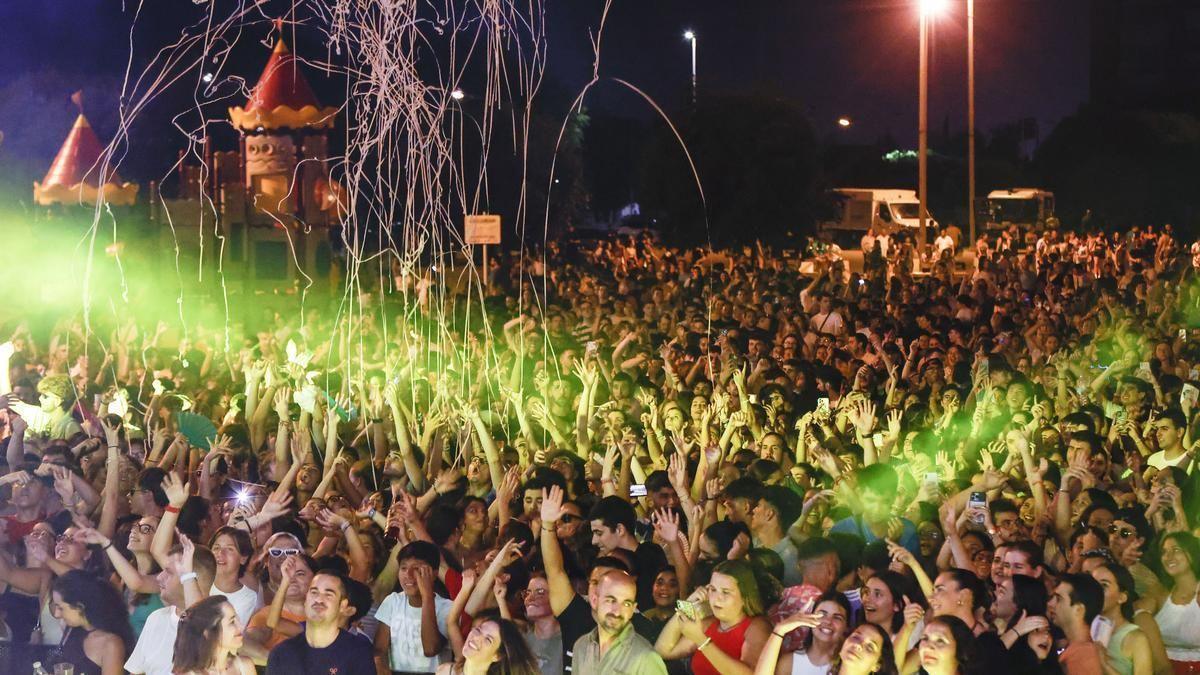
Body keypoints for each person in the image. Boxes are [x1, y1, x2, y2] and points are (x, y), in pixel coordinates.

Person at [654, 559, 771, 675]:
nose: (716, 597)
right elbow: (662, 651)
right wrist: (687, 605)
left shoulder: (757, 626)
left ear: (745, 598)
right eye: (713, 589)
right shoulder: (709, 623)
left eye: (725, 592)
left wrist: (701, 640)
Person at [125, 541, 217, 675]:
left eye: (169, 572)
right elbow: (137, 671)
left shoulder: (218, 624)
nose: (160, 577)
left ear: (192, 578)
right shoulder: (156, 618)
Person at [266, 571, 376, 674]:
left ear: (343, 606)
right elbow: (274, 623)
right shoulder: (281, 653)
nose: (318, 599)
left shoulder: (359, 652)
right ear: (305, 601)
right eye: (314, 592)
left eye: (328, 594)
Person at [373, 541, 453, 674]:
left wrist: (427, 596)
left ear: (434, 574)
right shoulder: (393, 601)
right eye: (403, 568)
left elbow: (430, 649)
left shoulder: (447, 607)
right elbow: (380, 649)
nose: (408, 575)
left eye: (417, 569)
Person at [571, 570, 666, 674]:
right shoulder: (581, 646)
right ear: (594, 601)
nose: (617, 612)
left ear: (632, 609)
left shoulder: (646, 658)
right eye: (611, 600)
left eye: (626, 604)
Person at [47, 570, 134, 675]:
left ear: (80, 607)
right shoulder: (70, 628)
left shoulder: (111, 645)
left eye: (61, 608)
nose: (57, 614)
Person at [1089, 563, 1152, 675]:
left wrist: (1104, 665)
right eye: (1093, 585)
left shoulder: (1136, 638)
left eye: (1104, 585)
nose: (1095, 591)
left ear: (1122, 597)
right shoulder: (1086, 629)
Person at [170, 596, 255, 674]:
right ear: (208, 633)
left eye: (237, 620)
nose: (242, 627)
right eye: (232, 622)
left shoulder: (245, 666)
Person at [436, 616, 541, 675]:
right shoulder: (444, 671)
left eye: (488, 639)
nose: (476, 637)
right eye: (478, 630)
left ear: (497, 656)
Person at [1048, 573, 1105, 675]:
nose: (1050, 603)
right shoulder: (1077, 650)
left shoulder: (1082, 656)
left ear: (1079, 610)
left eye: (1058, 599)